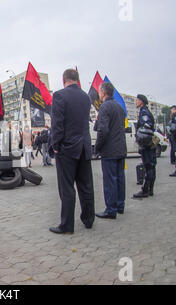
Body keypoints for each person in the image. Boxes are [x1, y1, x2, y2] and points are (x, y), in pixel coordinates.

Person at [49, 69, 95, 235]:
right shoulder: (85, 96)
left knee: (67, 187)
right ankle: (88, 219)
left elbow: (57, 123)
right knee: (86, 185)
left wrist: (55, 144)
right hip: (84, 147)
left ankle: (67, 225)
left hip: (67, 148)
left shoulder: (59, 95)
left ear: (64, 80)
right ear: (77, 79)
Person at [94, 83, 127, 219]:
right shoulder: (119, 107)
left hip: (109, 150)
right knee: (120, 178)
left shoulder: (105, 107)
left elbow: (103, 130)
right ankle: (120, 205)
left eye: (99, 92)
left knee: (110, 180)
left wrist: (97, 147)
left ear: (103, 92)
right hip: (120, 148)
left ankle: (111, 209)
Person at [133, 95, 157, 198]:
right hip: (149, 144)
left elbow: (146, 130)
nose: (136, 102)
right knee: (151, 166)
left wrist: (141, 142)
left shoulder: (144, 112)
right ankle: (150, 189)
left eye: (137, 100)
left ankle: (146, 190)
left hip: (146, 145)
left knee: (148, 166)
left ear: (141, 101)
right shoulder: (145, 111)